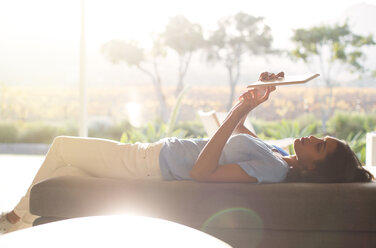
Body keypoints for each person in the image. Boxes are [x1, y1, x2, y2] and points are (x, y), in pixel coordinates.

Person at [0, 86, 373, 234]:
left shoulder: (273, 171)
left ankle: (14, 220)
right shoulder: (277, 155)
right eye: (320, 139)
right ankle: (28, 220)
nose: (312, 138)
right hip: (153, 154)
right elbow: (237, 133)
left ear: (313, 167)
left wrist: (236, 114)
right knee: (65, 169)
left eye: (319, 146)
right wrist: (252, 103)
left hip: (149, 163)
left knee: (63, 146)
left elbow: (202, 171)